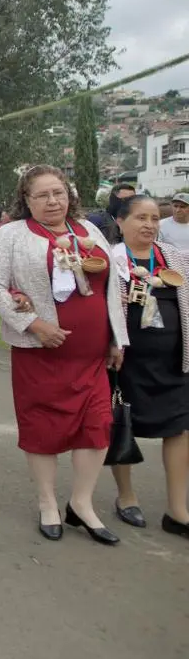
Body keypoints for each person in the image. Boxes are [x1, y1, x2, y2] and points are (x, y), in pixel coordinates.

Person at [0, 164, 127, 545]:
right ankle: (47, 503)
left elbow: (112, 288)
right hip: (40, 353)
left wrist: (117, 338)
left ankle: (81, 504)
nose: (52, 201)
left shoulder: (90, 230)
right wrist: (32, 324)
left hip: (92, 355)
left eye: (58, 192)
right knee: (43, 428)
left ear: (70, 194)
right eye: (42, 195)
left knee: (96, 429)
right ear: (26, 200)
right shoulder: (10, 235)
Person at [106, 195, 189, 539]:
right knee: (123, 423)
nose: (149, 225)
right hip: (125, 361)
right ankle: (126, 496)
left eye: (155, 218)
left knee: (180, 428)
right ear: (120, 222)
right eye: (141, 217)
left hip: (174, 362)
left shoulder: (176, 258)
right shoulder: (110, 260)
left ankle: (178, 509)